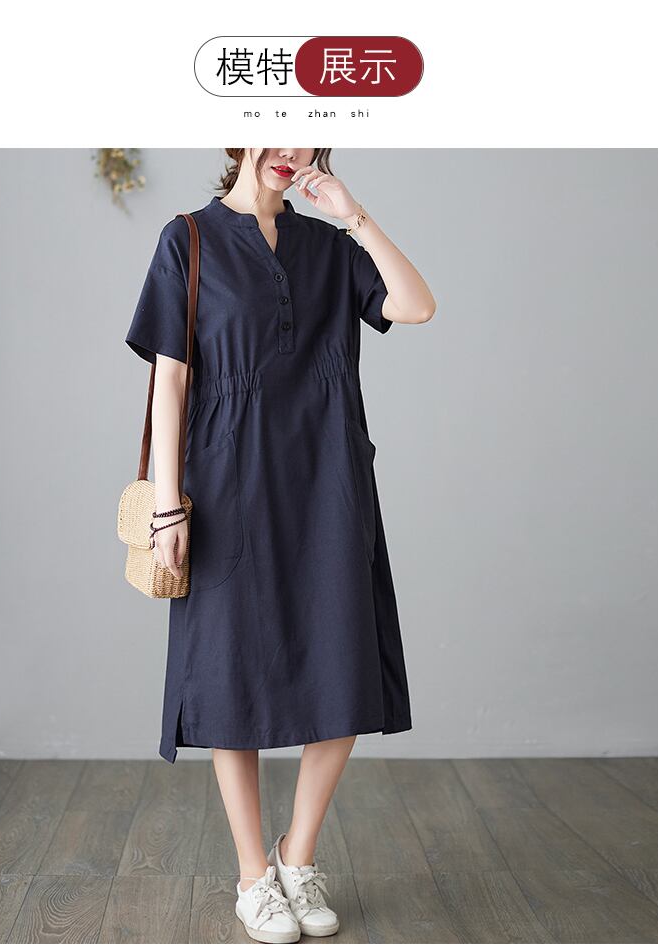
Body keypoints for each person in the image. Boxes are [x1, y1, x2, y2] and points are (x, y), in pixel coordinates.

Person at [125, 147, 436, 943]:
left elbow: (416, 305)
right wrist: (168, 506)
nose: (289, 150)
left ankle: (297, 856)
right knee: (228, 674)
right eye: (274, 130)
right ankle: (253, 879)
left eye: (304, 135)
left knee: (344, 663)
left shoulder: (330, 246)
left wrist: (354, 216)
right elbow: (170, 380)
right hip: (226, 481)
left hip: (328, 476)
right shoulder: (188, 239)